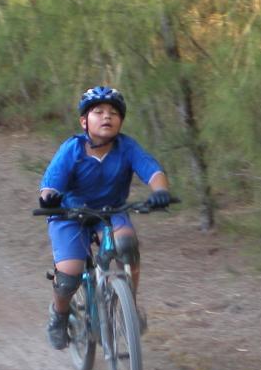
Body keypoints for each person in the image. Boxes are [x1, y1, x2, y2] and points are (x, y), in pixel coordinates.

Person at [38, 86, 172, 350]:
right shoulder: (72, 149)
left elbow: (152, 170)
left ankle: (127, 308)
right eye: (98, 112)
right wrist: (50, 198)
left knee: (126, 245)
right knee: (70, 273)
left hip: (110, 212)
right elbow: (50, 185)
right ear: (84, 121)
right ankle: (60, 314)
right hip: (69, 214)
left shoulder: (127, 147)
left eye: (113, 112)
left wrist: (161, 191)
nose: (106, 117)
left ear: (121, 120)